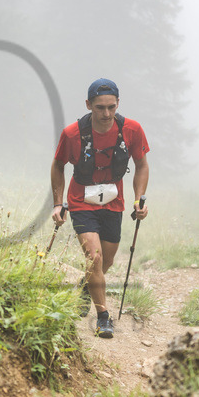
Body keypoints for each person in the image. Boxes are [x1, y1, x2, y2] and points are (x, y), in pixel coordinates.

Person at [50, 78, 149, 338]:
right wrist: (58, 204)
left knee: (106, 261)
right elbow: (58, 165)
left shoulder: (132, 130)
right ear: (88, 105)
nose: (106, 114)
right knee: (94, 259)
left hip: (113, 203)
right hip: (81, 201)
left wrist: (140, 199)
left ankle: (86, 288)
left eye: (111, 107)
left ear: (118, 104)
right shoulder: (72, 134)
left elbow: (141, 165)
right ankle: (103, 317)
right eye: (99, 108)